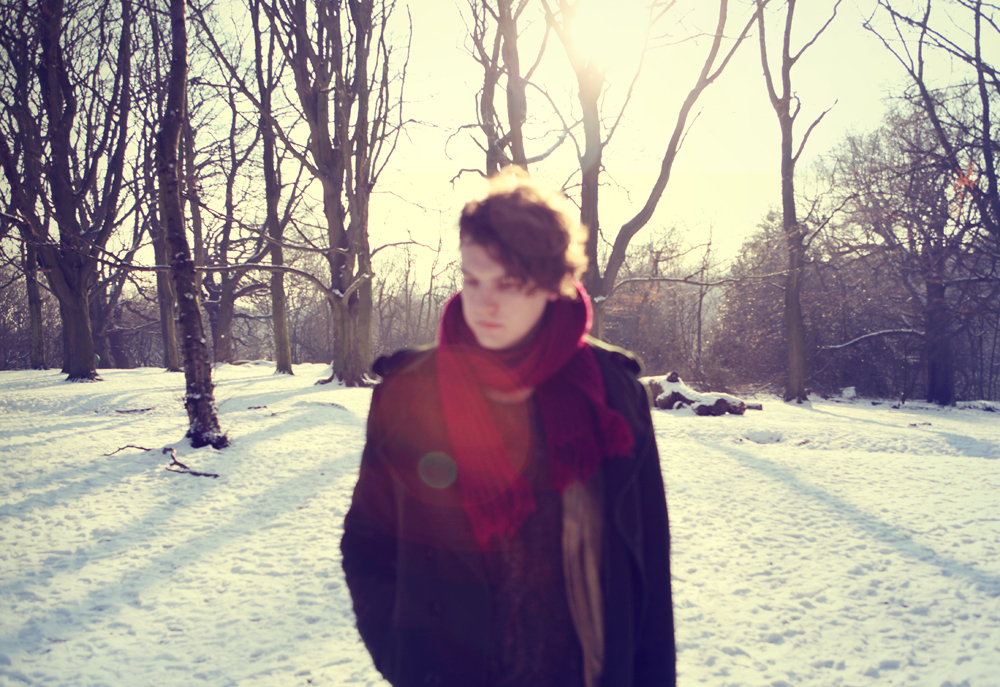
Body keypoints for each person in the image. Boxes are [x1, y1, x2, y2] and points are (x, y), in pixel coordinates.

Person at [340, 168, 675, 687]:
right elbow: (368, 541)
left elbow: (646, 563)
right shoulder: (408, 393)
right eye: (472, 280)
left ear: (553, 283)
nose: (485, 304)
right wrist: (404, 659)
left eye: (509, 284)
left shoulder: (611, 396)